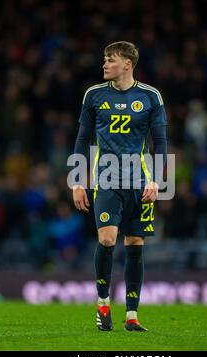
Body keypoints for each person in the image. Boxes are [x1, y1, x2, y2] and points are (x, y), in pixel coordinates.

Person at [72, 41, 167, 332]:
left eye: (110, 60)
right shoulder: (94, 95)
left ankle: (132, 314)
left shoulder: (150, 96)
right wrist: (77, 181)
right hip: (107, 180)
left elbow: (160, 143)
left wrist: (158, 181)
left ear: (127, 63)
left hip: (140, 182)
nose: (104, 65)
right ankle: (102, 303)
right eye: (104, 59)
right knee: (107, 240)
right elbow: (81, 139)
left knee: (135, 244)